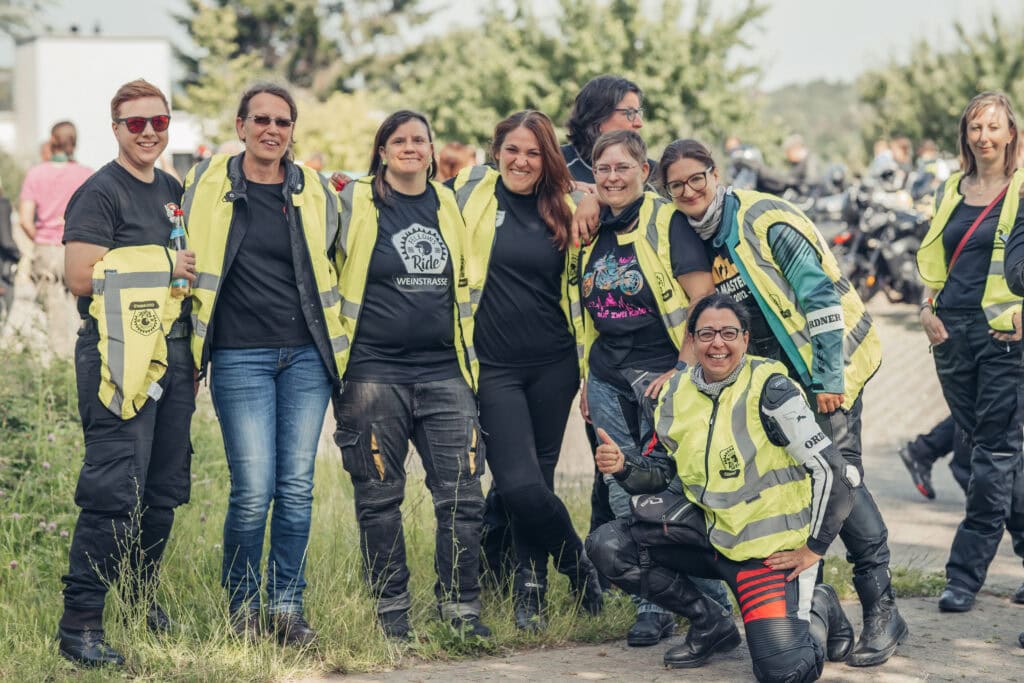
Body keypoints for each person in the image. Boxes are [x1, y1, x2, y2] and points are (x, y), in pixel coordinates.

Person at [660, 138, 907, 666]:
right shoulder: (702, 232)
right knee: (815, 482)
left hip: (830, 366)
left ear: (715, 172)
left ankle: (882, 608)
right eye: (675, 185)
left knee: (842, 477)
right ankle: (828, 603)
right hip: (782, 381)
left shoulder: (762, 218)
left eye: (696, 178)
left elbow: (819, 298)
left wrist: (827, 378)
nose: (687, 191)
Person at [588, 293, 859, 681]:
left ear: (746, 339)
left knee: (784, 672)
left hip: (767, 555)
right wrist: (624, 467)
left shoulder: (772, 389)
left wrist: (814, 548)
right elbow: (661, 472)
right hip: (711, 537)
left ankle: (818, 604)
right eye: (707, 333)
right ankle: (710, 622)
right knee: (608, 546)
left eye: (729, 333)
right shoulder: (674, 393)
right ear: (692, 340)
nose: (718, 344)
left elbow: (837, 474)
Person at [181, 83, 344, 645]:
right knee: (253, 488)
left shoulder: (316, 189)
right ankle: (243, 610)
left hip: (305, 357)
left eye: (283, 121)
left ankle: (286, 609)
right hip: (237, 355)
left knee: (296, 487)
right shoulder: (207, 182)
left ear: (293, 129)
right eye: (262, 120)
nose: (272, 129)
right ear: (241, 124)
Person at [332, 110, 486, 640]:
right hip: (373, 372)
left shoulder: (450, 201)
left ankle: (461, 610)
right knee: (378, 499)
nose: (410, 147)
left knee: (464, 494)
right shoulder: (352, 199)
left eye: (419, 139)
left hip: (445, 371)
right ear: (381, 150)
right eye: (398, 140)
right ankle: (391, 614)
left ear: (431, 148)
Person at [58, 79, 196, 667]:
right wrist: (166, 263)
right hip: (116, 359)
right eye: (135, 123)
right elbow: (81, 276)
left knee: (162, 492)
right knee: (114, 491)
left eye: (157, 123)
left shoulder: (172, 189)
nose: (147, 133)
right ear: (115, 128)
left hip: (172, 354)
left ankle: (140, 600)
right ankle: (81, 623)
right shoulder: (99, 192)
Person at [451, 110, 602, 630]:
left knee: (541, 477)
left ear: (547, 159)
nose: (521, 160)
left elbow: (606, 190)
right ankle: (578, 566)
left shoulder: (566, 206)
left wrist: (592, 195)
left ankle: (530, 589)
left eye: (534, 152)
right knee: (518, 484)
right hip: (493, 366)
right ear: (496, 152)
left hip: (553, 365)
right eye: (513, 150)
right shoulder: (470, 191)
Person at [579, 129, 731, 646]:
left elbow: (704, 301)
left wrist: (686, 373)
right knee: (622, 497)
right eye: (603, 169)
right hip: (606, 379)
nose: (612, 177)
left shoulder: (668, 221)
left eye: (623, 167)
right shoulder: (592, 226)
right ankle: (654, 605)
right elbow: (584, 313)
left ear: (645, 174)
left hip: (662, 377)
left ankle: (713, 604)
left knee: (674, 493)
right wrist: (586, 378)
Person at [916, 91, 1024, 614]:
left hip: (1004, 338)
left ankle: (964, 575)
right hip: (951, 336)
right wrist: (925, 308)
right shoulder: (949, 190)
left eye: (993, 127)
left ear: (1010, 134)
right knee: (1001, 456)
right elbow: (938, 262)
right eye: (975, 127)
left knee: (991, 457)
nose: (984, 136)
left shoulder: (1022, 190)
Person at [18, 120, 93, 357]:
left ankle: (62, 362)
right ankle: (80, 359)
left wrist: (41, 237)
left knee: (54, 312)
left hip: (47, 249)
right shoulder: (87, 174)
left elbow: (25, 219)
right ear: (75, 142)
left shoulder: (36, 174)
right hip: (78, 247)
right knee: (82, 309)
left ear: (52, 141)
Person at [562, 74, 653, 195]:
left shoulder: (653, 173)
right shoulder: (555, 163)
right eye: (629, 113)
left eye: (638, 113)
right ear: (598, 118)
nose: (639, 123)